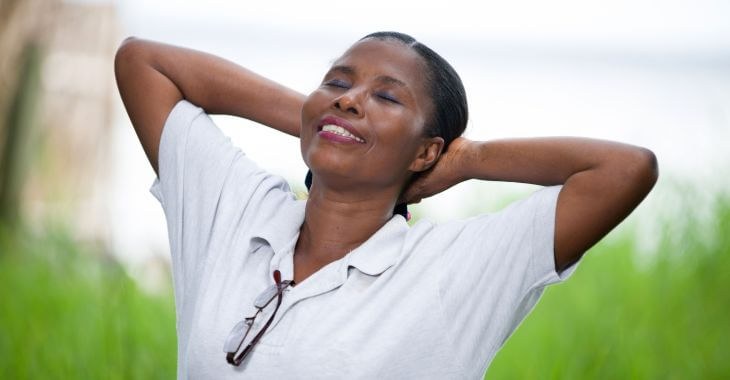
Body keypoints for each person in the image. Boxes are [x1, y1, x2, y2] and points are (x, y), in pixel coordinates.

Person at [114, 31, 658, 379]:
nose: (350, 97)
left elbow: (623, 170)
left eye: (388, 96)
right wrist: (322, 118)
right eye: (337, 82)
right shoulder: (237, 214)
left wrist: (466, 160)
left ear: (428, 150)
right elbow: (144, 63)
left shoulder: (454, 270)